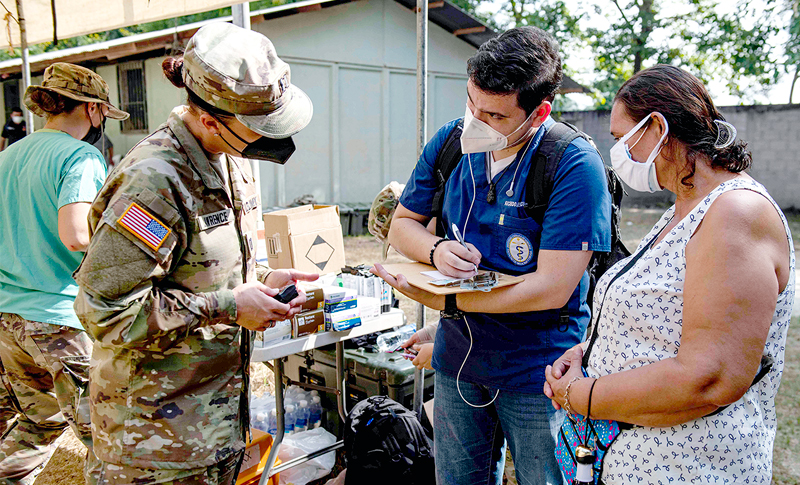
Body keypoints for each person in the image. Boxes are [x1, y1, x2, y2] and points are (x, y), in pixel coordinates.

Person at [73, 22, 317, 484]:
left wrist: (260, 284)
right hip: (153, 445)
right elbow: (104, 311)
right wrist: (227, 306)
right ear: (209, 119)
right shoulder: (152, 183)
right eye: (259, 129)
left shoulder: (232, 159)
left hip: (215, 428)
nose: (271, 140)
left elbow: (205, 270)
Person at [372, 26, 611, 485]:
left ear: (538, 113)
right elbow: (402, 224)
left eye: (495, 116)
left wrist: (451, 303)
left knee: (545, 477)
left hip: (538, 371)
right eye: (471, 105)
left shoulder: (572, 164)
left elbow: (551, 287)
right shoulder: (450, 143)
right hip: (459, 361)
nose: (476, 123)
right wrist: (436, 249)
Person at [544, 64, 794, 484]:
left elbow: (709, 377)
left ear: (657, 127)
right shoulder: (684, 207)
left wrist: (581, 395)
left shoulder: (735, 214)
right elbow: (659, 319)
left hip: (686, 470)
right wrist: (588, 353)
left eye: (622, 139)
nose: (618, 152)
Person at [0, 62, 128, 484]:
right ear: (92, 109)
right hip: (56, 319)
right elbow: (75, 234)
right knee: (108, 438)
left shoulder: (9, 156)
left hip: (7, 317)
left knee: (40, 421)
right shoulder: (80, 155)